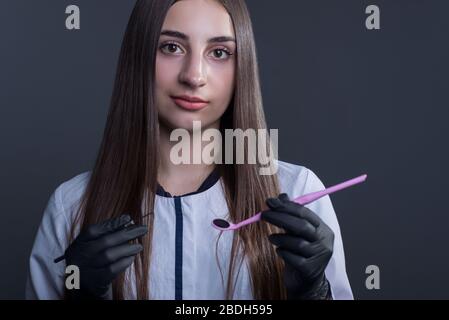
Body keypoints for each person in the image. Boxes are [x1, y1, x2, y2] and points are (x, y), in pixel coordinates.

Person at [26, 0, 353, 300]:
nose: (194, 76)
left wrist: (314, 293)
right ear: (138, 57)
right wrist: (80, 292)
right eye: (171, 47)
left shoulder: (297, 190)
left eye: (220, 52)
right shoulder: (71, 206)